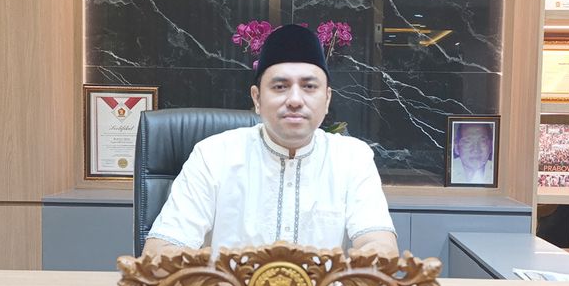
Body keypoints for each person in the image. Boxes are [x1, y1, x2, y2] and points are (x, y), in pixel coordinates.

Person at [143, 24, 397, 259]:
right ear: (257, 98)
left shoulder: (352, 158)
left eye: (309, 86)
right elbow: (159, 250)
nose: (295, 100)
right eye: (280, 87)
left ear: (327, 99)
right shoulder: (213, 155)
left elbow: (380, 245)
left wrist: (373, 257)